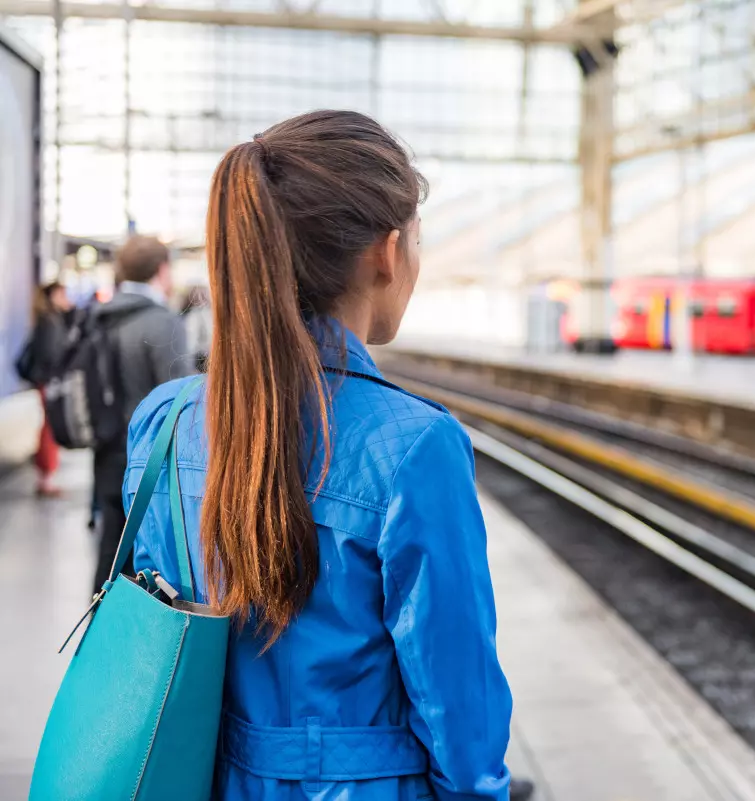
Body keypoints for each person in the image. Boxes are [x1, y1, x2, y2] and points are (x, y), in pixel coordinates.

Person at [124, 111, 512, 800]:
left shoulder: (167, 418)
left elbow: (157, 634)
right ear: (386, 253)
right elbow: (460, 709)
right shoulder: (418, 447)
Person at [91, 236, 193, 596]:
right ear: (161, 270)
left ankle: (101, 633)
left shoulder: (97, 316)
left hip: (104, 447)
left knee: (110, 549)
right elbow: (179, 400)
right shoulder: (163, 322)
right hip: (150, 459)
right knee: (150, 559)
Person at [20, 282, 75, 496]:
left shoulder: (48, 319)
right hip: (50, 381)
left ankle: (46, 476)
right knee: (50, 428)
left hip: (45, 380)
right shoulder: (50, 322)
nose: (66, 298)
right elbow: (54, 355)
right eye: (62, 294)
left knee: (48, 426)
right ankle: (46, 478)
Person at [180, 285, 213, 371]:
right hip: (199, 359)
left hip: (199, 359)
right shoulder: (195, 315)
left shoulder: (186, 315)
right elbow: (192, 343)